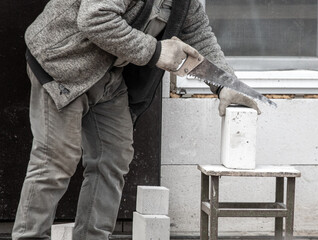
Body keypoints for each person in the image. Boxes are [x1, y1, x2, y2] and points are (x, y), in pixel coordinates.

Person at [12, 0, 260, 239]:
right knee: (55, 161)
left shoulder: (187, 3)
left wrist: (225, 84)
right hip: (62, 64)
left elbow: (199, 34)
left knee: (113, 158)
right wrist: (157, 51)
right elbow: (95, 17)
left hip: (108, 75)